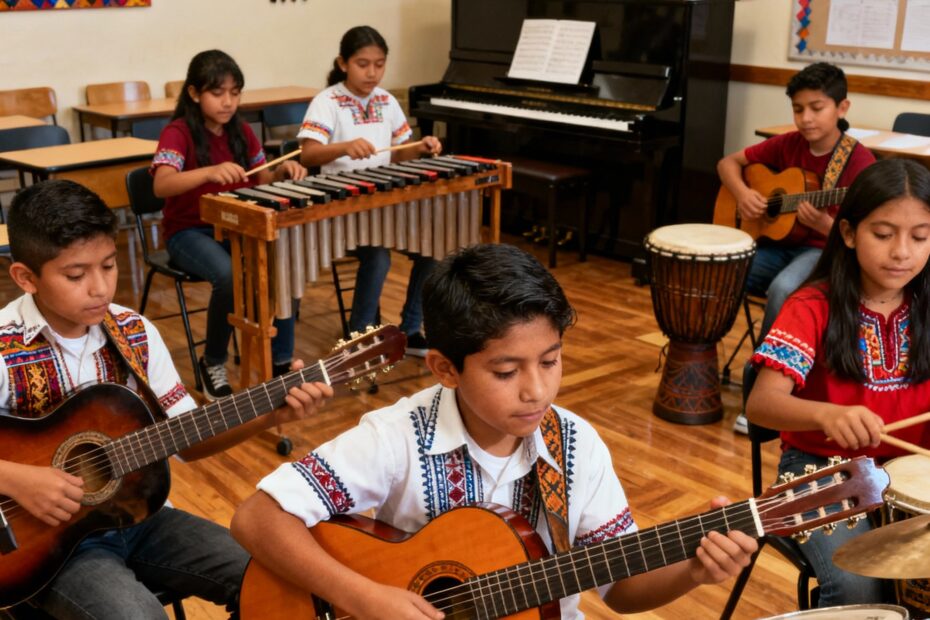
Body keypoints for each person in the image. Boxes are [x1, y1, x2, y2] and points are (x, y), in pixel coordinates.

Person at [231, 243, 757, 619]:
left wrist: (693, 571)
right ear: (445, 368)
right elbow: (257, 517)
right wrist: (362, 597)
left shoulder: (575, 446)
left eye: (550, 361)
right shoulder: (397, 437)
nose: (537, 391)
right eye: (506, 372)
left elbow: (620, 590)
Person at [0, 180, 332, 619]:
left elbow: (187, 440)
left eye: (109, 265)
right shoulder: (4, 346)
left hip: (142, 518)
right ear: (25, 277)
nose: (100, 288)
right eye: (76, 276)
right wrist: (16, 479)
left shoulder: (134, 332)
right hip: (46, 548)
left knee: (274, 577)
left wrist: (269, 415)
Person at [746, 158, 930, 607]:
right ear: (848, 233)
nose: (902, 252)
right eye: (883, 234)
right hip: (820, 469)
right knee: (856, 584)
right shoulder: (813, 305)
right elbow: (761, 403)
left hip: (912, 471)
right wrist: (827, 414)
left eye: (920, 236)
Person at [717, 62, 875, 434]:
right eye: (798, 108)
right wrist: (744, 194)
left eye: (816, 108)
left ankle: (764, 394)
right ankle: (700, 363)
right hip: (774, 245)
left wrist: (825, 226)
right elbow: (728, 163)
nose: (806, 118)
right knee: (723, 268)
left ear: (842, 107)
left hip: (821, 252)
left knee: (785, 289)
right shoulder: (788, 143)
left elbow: (867, 231)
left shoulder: (859, 162)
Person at [153, 49, 308, 399]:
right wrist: (208, 172)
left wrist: (282, 172)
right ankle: (212, 362)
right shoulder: (178, 132)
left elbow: (262, 178)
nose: (228, 102)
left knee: (282, 262)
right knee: (228, 276)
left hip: (238, 226)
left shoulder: (241, 131)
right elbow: (161, 184)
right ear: (194, 93)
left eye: (235, 93)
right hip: (188, 232)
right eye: (217, 92)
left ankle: (281, 362)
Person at [297, 25, 443, 357]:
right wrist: (344, 147)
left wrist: (422, 147)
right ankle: (358, 338)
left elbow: (401, 153)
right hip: (340, 209)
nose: (372, 72)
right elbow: (308, 155)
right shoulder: (327, 101)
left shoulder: (387, 101)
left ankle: (412, 329)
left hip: (385, 205)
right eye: (363, 64)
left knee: (433, 246)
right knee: (377, 256)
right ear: (343, 63)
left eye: (379, 64)